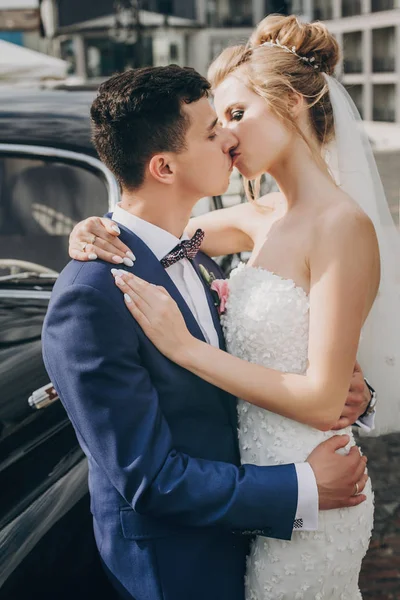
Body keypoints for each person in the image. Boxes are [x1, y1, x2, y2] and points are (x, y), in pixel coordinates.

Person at [67, 15, 400, 599]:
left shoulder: (343, 226)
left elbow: (324, 399)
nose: (227, 137)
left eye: (237, 115)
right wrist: (87, 230)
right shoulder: (253, 220)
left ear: (293, 102)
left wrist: (186, 349)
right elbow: (154, 232)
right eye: (218, 124)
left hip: (315, 478)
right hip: (250, 494)